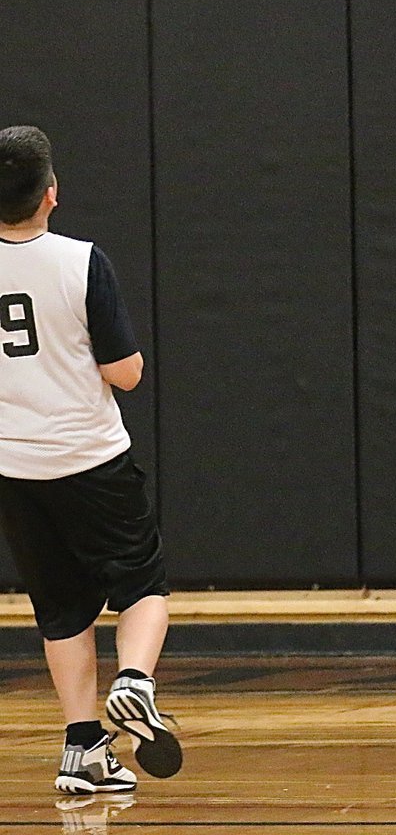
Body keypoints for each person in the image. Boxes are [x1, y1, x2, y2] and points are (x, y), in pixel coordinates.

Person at [0, 126, 181, 794]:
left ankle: (82, 751)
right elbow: (126, 373)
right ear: (51, 194)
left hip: (14, 470)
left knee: (60, 608)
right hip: (90, 457)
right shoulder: (79, 261)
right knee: (141, 586)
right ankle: (135, 683)